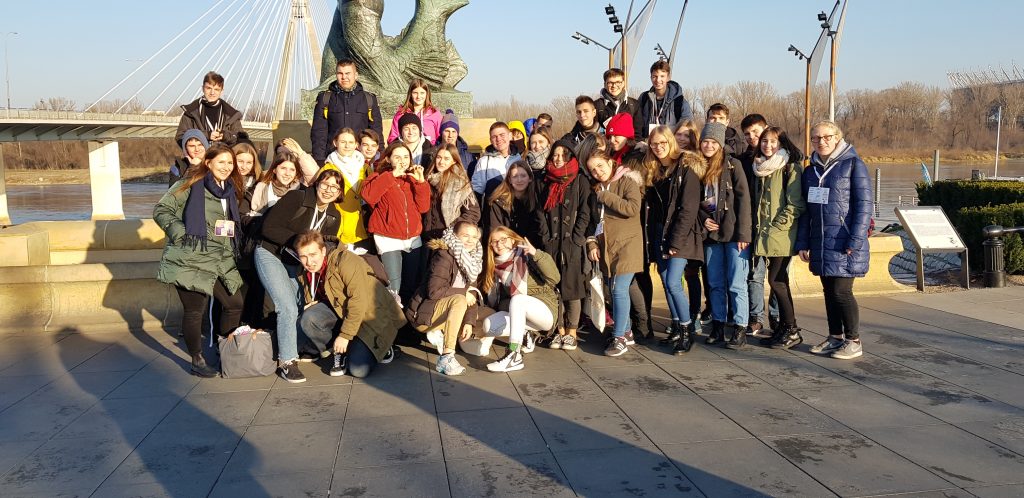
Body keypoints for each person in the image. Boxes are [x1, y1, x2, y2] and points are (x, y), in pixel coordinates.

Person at [154, 143, 245, 377]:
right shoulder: (190, 183)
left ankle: (225, 352)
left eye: (230, 163)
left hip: (219, 258)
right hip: (191, 257)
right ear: (208, 162)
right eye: (221, 162)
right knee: (195, 310)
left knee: (234, 304)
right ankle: (197, 359)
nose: (226, 167)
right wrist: (182, 234)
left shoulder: (229, 189)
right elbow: (161, 210)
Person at [256, 166, 344, 383]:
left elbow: (324, 248)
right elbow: (269, 228)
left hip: (297, 262)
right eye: (325, 184)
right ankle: (287, 361)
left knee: (298, 304)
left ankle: (297, 346)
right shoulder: (297, 197)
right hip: (272, 253)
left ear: (339, 193)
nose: (328, 190)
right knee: (286, 306)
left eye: (335, 187)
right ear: (317, 184)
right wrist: (301, 243)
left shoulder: (334, 215)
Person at [797, 121, 872, 360]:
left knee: (842, 292)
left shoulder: (853, 165)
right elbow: (806, 211)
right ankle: (835, 337)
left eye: (827, 137)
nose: (821, 142)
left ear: (837, 138)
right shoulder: (811, 171)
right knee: (829, 291)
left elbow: (864, 206)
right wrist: (803, 242)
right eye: (816, 138)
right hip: (820, 241)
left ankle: (854, 341)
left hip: (844, 241)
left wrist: (855, 240)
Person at [295, 231, 403, 378]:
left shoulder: (346, 261)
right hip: (342, 312)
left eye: (313, 254)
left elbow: (358, 301)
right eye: (303, 256)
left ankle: (384, 345)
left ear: (323, 251)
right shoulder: (306, 271)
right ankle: (340, 350)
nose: (309, 262)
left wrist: (345, 336)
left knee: (359, 370)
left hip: (369, 315)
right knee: (309, 318)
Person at [641, 126, 704, 354]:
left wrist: (675, 242)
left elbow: (689, 208)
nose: (658, 147)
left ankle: (687, 331)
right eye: (654, 144)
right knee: (666, 280)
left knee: (673, 282)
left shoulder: (686, 168)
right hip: (659, 233)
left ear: (671, 142)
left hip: (680, 235)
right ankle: (677, 326)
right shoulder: (654, 170)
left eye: (663, 143)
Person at [698, 122, 752, 348]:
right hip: (711, 235)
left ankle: (740, 327)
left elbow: (744, 200)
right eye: (705, 141)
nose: (709, 146)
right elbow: (693, 200)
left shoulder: (733, 165)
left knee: (736, 283)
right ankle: (718, 324)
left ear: (720, 144)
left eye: (713, 142)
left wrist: (744, 234)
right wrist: (703, 219)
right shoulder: (698, 166)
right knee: (715, 283)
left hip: (734, 234)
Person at [752, 127, 806, 349]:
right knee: (779, 281)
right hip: (763, 234)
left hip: (781, 235)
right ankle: (785, 327)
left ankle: (791, 329)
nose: (768, 145)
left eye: (773, 142)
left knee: (776, 281)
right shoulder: (759, 167)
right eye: (764, 141)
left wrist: (776, 228)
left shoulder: (789, 167)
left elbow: (796, 205)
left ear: (782, 143)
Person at [585, 152, 644, 357]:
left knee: (619, 290)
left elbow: (632, 208)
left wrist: (606, 196)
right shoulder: (596, 189)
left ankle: (619, 338)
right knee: (613, 290)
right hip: (607, 248)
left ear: (610, 162)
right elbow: (594, 222)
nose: (597, 172)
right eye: (593, 169)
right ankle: (626, 331)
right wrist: (592, 243)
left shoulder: (627, 181)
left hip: (628, 245)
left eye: (600, 166)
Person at [406, 222, 485, 375]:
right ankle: (446, 357)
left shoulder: (472, 262)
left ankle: (444, 333)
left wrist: (469, 322)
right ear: (455, 236)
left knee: (487, 314)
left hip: (446, 310)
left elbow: (472, 295)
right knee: (460, 300)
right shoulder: (444, 256)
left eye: (474, 237)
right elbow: (434, 291)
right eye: (465, 236)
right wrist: (464, 292)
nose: (470, 240)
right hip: (424, 314)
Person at [479, 227, 561, 372]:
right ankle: (525, 335)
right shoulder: (495, 266)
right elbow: (502, 302)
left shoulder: (525, 255)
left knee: (517, 300)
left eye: (503, 239)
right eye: (494, 241)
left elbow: (555, 278)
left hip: (545, 310)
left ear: (512, 240)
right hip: (522, 313)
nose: (499, 244)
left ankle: (513, 355)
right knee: (489, 326)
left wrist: (536, 253)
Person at [538, 140, 593, 350]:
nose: (558, 159)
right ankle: (558, 330)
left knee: (572, 288)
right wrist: (546, 237)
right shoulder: (546, 180)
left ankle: (572, 332)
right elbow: (540, 212)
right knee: (554, 288)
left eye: (563, 155)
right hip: (552, 242)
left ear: (570, 157)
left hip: (572, 243)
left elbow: (585, 211)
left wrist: (577, 238)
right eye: (555, 155)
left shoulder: (580, 180)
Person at [361, 142, 431, 303]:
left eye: (406, 157)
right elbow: (369, 196)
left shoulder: (411, 179)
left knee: (411, 283)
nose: (402, 161)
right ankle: (393, 316)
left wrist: (421, 183)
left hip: (412, 239)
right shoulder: (378, 177)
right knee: (394, 285)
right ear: (388, 159)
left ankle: (408, 316)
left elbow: (423, 207)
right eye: (397, 157)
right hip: (388, 238)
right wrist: (391, 175)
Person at [606, 112, 652, 342]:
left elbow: (635, 196)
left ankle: (642, 323)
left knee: (633, 279)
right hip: (616, 228)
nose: (613, 140)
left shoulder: (636, 158)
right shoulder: (612, 157)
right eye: (610, 136)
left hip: (634, 226)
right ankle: (628, 325)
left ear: (628, 135)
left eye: (617, 136)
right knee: (624, 281)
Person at [735, 113, 778, 338]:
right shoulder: (743, 161)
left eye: (756, 132)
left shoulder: (783, 159)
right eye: (747, 134)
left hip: (778, 229)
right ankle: (756, 318)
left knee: (778, 278)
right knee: (755, 274)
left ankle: (778, 319)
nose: (752, 137)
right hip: (753, 226)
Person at [311, 58, 383, 166]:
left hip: (361, 159)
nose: (344, 77)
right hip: (334, 159)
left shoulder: (369, 99)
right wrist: (319, 160)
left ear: (356, 75)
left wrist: (381, 156)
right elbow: (319, 132)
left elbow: (376, 131)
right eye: (340, 73)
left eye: (348, 73)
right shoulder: (325, 98)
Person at [422, 143, 480, 242]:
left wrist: (454, 228)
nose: (441, 162)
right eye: (439, 157)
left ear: (454, 161)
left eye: (446, 159)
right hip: (427, 238)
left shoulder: (461, 183)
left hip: (450, 238)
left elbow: (473, 212)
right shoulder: (427, 179)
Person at [324, 127, 371, 249]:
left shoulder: (365, 168)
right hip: (340, 230)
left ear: (356, 145)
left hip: (363, 228)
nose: (347, 146)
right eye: (343, 142)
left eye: (351, 142)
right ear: (335, 143)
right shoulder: (328, 168)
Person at [175, 71, 243, 146]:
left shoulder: (231, 114)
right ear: (202, 88)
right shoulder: (191, 112)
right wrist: (206, 135)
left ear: (222, 91)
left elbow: (241, 139)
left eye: (216, 89)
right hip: (199, 153)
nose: (212, 93)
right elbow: (181, 137)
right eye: (209, 88)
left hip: (224, 153)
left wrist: (225, 136)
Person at [485, 160, 541, 246]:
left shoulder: (537, 200)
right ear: (509, 180)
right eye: (515, 176)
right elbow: (495, 230)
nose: (519, 180)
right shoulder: (498, 202)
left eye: (523, 176)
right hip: (505, 247)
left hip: (532, 247)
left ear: (530, 178)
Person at [637, 60, 693, 139]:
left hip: (671, 144)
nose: (658, 80)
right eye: (654, 76)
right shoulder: (644, 98)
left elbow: (687, 126)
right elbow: (637, 124)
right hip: (649, 143)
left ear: (668, 77)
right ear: (650, 77)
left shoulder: (679, 101)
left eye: (662, 76)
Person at [470, 122, 521, 198]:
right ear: (490, 140)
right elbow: (477, 191)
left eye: (502, 135)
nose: (498, 139)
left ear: (510, 136)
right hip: (493, 203)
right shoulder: (484, 162)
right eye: (494, 137)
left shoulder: (520, 159)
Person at [387, 79, 442, 145]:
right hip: (406, 150)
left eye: (422, 93)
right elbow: (392, 138)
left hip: (430, 150)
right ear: (410, 94)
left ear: (427, 94)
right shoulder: (401, 114)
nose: (418, 96)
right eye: (415, 93)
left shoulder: (434, 113)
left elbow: (440, 137)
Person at [595, 68, 641, 136]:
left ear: (623, 83)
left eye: (618, 82)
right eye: (610, 83)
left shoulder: (634, 105)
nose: (614, 86)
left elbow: (638, 133)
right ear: (605, 84)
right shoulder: (597, 106)